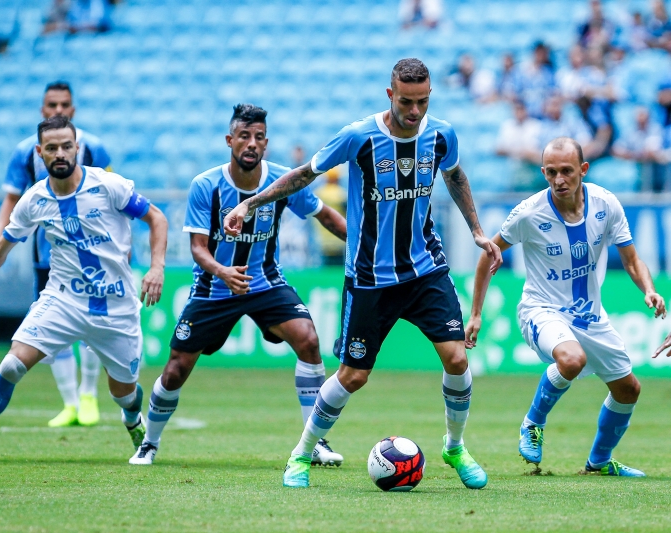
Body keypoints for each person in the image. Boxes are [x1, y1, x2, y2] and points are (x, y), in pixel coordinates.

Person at [224, 59, 503, 489]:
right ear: (390, 95)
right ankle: (300, 454)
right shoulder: (359, 136)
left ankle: (454, 446)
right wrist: (249, 204)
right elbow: (304, 175)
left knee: (457, 357)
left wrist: (478, 232)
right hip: (370, 276)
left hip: (425, 269)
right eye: (407, 102)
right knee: (354, 375)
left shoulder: (441, 133)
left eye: (423, 102)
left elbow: (455, 175)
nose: (415, 112)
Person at [0, 115, 167, 462]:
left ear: (78, 149)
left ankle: (133, 420)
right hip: (62, 300)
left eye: (66, 146)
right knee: (11, 366)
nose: (60, 153)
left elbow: (156, 217)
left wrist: (157, 267)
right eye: (52, 148)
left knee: (124, 393)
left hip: (115, 306)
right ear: (40, 153)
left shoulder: (108, 185)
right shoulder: (34, 200)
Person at [131, 104, 348, 466]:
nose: (251, 143)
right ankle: (149, 442)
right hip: (214, 288)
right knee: (175, 369)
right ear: (230, 140)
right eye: (244, 136)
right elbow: (198, 249)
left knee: (308, 340)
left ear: (266, 143)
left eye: (259, 137)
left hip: (265, 282)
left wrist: (361, 244)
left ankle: (316, 442)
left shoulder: (283, 180)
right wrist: (223, 272)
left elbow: (325, 215)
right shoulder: (206, 185)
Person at [466, 137, 666, 477]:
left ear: (583, 170)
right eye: (552, 172)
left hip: (589, 315)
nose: (559, 180)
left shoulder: (606, 204)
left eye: (567, 171)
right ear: (543, 172)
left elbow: (632, 260)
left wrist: (649, 289)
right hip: (540, 310)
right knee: (572, 359)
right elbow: (489, 255)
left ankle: (599, 462)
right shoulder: (528, 212)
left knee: (628, 389)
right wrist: (475, 313)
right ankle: (532, 424)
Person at [0, 81, 112, 428]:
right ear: (42, 110)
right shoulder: (23, 153)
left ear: (72, 110)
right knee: (51, 330)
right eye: (52, 105)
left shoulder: (94, 148)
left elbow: (111, 196)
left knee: (93, 327)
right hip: (47, 255)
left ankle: (89, 395)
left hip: (93, 255)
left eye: (64, 105)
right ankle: (71, 403)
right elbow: (12, 201)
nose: (58, 110)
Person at [313, 167, 347, 266]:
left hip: (323, 236)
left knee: (326, 268)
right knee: (339, 270)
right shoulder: (340, 193)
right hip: (339, 236)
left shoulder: (319, 192)